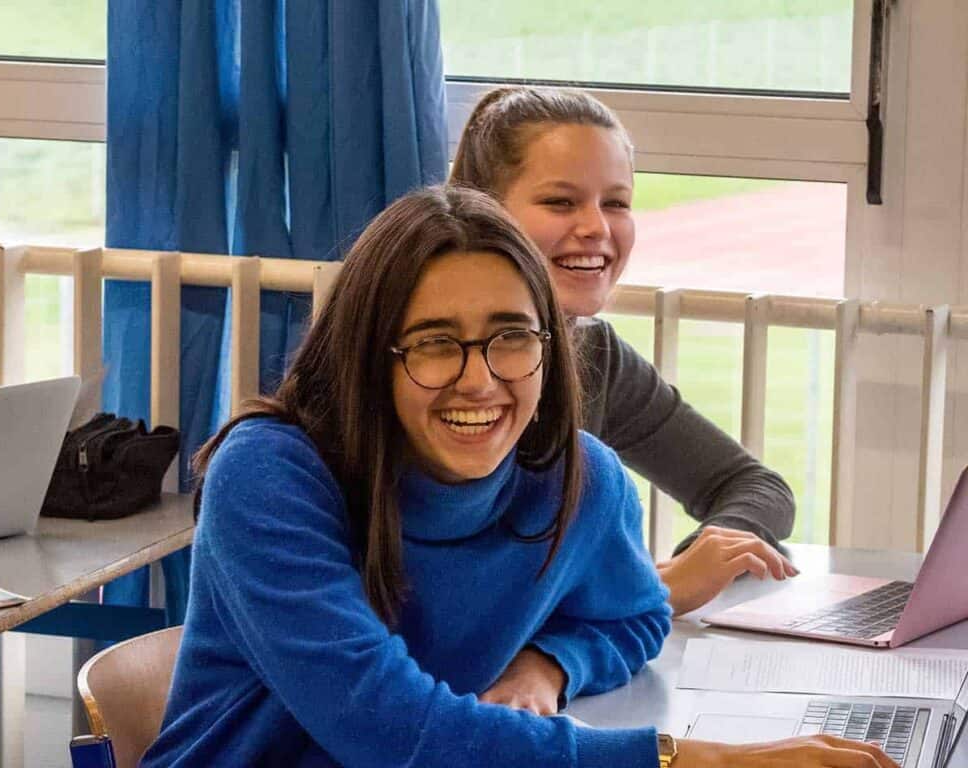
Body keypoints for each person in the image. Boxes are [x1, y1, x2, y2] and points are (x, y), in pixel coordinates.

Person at [142, 186, 894, 767]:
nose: (481, 381)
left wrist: (550, 665)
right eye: (436, 344)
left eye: (511, 338)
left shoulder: (579, 478)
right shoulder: (271, 475)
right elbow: (390, 733)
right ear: (371, 358)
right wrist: (694, 759)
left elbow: (632, 616)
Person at [449, 86, 799, 616]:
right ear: (481, 211)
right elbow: (445, 593)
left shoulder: (593, 354)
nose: (596, 228)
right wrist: (649, 591)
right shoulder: (427, 363)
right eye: (560, 202)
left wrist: (699, 562)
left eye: (615, 203)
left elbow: (754, 486)